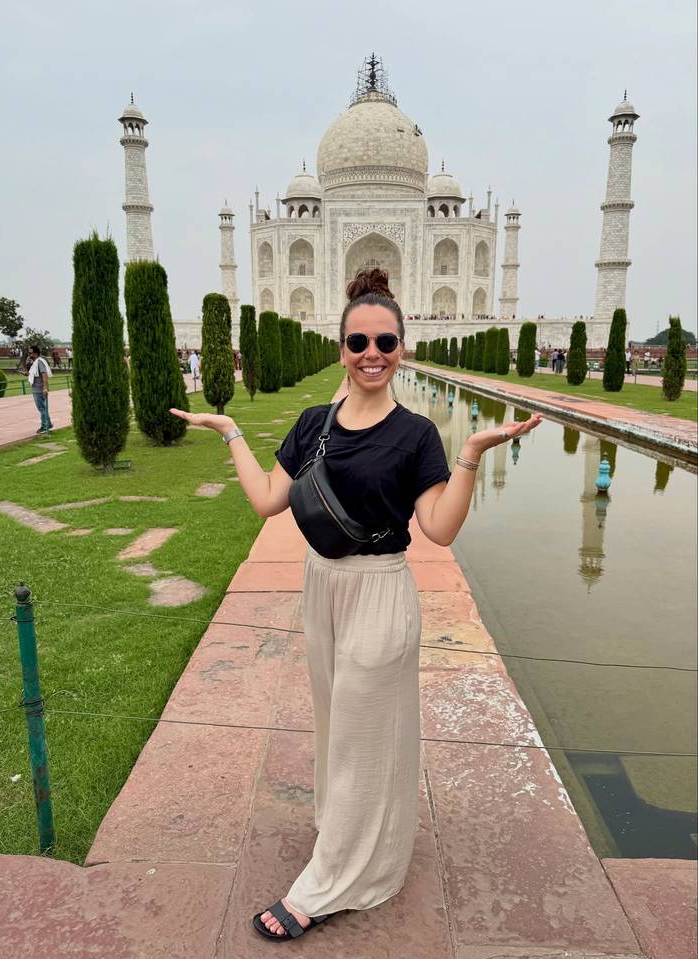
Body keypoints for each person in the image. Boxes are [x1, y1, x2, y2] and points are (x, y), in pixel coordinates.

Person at [170, 269, 542, 941]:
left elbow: (439, 528)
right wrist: (229, 432)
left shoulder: (416, 434)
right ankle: (357, 837)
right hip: (323, 588)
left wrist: (470, 455)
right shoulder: (314, 423)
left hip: (379, 591)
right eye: (359, 341)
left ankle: (330, 881)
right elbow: (268, 501)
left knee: (363, 733)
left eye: (385, 342)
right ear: (341, 347)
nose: (372, 353)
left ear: (402, 347)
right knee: (337, 725)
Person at [27, 345, 53, 433]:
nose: (29, 354)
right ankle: (48, 424)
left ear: (35, 353)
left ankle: (44, 426)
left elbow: (44, 374)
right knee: (43, 408)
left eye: (30, 353)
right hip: (37, 388)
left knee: (42, 408)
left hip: (39, 389)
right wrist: (27, 374)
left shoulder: (39, 362)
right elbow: (36, 374)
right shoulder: (36, 362)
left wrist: (45, 387)